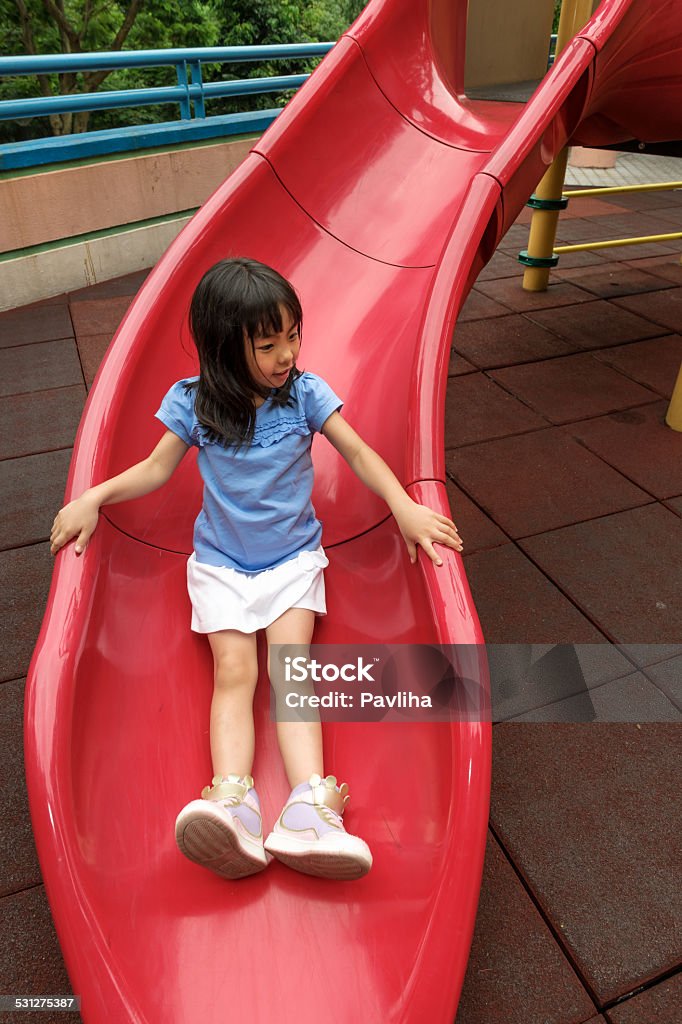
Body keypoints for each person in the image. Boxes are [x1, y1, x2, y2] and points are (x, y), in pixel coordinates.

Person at [50, 257, 464, 882]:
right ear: (224, 347)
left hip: (293, 560)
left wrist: (405, 505)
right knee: (235, 672)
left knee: (289, 671)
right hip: (221, 564)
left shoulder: (304, 394)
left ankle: (309, 811)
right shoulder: (193, 403)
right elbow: (156, 468)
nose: (286, 355)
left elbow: (355, 449)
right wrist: (93, 497)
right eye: (268, 344)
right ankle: (232, 802)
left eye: (293, 337)